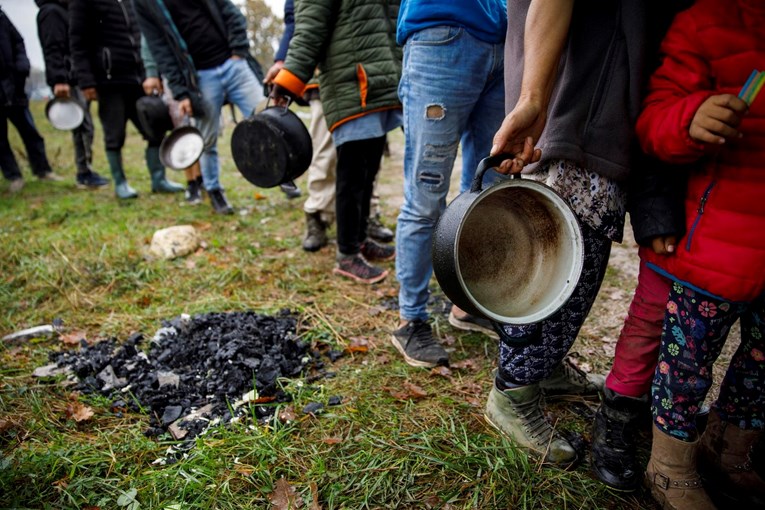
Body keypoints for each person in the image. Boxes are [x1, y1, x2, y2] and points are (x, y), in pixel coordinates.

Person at [485, 0, 655, 466]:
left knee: (566, 255)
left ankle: (543, 369)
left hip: (586, 103)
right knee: (562, 264)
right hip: (574, 102)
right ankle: (513, 395)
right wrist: (534, 99)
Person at [631, 1, 765, 508]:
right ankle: (669, 466)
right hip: (716, 246)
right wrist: (690, 118)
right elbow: (652, 122)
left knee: (759, 363)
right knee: (687, 362)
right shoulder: (707, 21)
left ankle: (731, 448)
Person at [390, 0, 509, 368]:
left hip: (503, 40)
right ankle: (410, 320)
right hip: (440, 36)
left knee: (488, 190)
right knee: (426, 196)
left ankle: (467, 305)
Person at [271, 0, 401, 284]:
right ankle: (347, 253)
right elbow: (309, 28)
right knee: (351, 176)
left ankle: (362, 238)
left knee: (369, 173)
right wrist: (289, 81)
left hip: (381, 80)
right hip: (351, 82)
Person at [134, 0, 267, 215]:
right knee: (206, 139)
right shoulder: (144, 4)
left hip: (233, 63)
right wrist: (182, 92)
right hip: (199, 77)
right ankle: (214, 190)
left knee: (266, 115)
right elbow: (160, 49)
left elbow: (229, 10)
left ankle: (281, 173)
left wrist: (238, 50)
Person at [69, 0, 184, 200]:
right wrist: (86, 81)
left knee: (155, 125)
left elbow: (147, 33)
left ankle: (159, 179)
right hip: (109, 79)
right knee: (114, 134)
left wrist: (152, 71)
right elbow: (78, 42)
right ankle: (120, 183)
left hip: (140, 78)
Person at [35, 0, 109, 190]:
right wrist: (59, 79)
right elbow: (52, 48)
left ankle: (86, 170)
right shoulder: (51, 12)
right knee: (83, 127)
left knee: (86, 126)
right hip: (68, 79)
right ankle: (83, 173)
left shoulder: (69, 10)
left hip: (78, 76)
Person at [0, 6, 60, 193]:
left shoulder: (1, 16)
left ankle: (43, 169)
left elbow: (18, 41)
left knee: (30, 131)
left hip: (13, 85)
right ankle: (14, 176)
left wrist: (22, 66)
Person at [140, 37, 203, 205]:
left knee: (202, 131)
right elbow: (148, 42)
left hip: (197, 72)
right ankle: (192, 183)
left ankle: (203, 180)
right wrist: (152, 72)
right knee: (183, 131)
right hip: (172, 76)